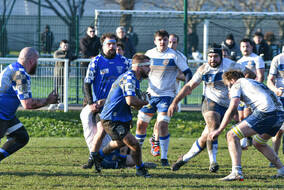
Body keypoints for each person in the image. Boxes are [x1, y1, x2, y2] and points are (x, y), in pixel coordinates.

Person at [169, 43, 256, 173]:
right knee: (213, 124)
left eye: (215, 56)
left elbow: (250, 74)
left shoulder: (230, 65)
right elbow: (189, 86)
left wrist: (237, 85)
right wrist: (175, 102)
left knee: (206, 137)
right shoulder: (203, 69)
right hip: (209, 101)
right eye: (210, 56)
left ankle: (184, 158)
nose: (212, 60)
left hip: (226, 105)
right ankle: (213, 162)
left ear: (221, 57)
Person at [0, 47, 59, 184]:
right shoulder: (20, 74)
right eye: (37, 61)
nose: (37, 64)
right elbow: (28, 104)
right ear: (32, 60)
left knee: (21, 136)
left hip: (4, 112)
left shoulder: (13, 66)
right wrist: (48, 101)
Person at [209, 70, 284, 181]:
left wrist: (219, 129)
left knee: (231, 135)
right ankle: (282, 171)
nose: (228, 89)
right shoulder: (253, 83)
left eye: (227, 85)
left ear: (232, 80)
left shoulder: (237, 83)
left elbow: (233, 107)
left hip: (266, 112)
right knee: (258, 142)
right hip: (280, 114)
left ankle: (236, 172)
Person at [135, 30, 192, 167]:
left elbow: (188, 72)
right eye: (160, 39)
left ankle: (164, 158)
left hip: (167, 96)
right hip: (150, 95)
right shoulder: (149, 54)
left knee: (162, 125)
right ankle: (137, 155)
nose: (163, 42)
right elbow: (138, 71)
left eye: (165, 40)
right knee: (141, 125)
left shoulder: (175, 55)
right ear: (155, 41)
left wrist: (188, 87)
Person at [92, 54, 151, 177]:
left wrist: (139, 102)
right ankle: (141, 169)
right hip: (111, 118)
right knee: (134, 144)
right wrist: (145, 101)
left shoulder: (136, 79)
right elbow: (131, 101)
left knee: (119, 142)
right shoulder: (130, 77)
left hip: (121, 117)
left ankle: (98, 156)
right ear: (139, 67)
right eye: (147, 66)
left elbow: (133, 104)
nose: (149, 69)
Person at [82, 33, 131, 170]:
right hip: (103, 107)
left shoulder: (124, 62)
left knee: (126, 133)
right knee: (102, 130)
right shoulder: (96, 62)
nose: (112, 46)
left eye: (114, 44)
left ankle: (123, 159)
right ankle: (92, 159)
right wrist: (91, 102)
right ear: (102, 46)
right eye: (108, 44)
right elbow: (87, 83)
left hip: (120, 105)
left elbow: (133, 79)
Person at [80, 96, 156, 170]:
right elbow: (100, 103)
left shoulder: (85, 113)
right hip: (106, 158)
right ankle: (129, 163)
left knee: (129, 144)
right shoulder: (97, 113)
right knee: (125, 138)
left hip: (105, 154)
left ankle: (133, 162)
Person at [236, 38, 265, 149]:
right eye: (243, 46)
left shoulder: (257, 59)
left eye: (247, 46)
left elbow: (260, 76)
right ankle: (246, 139)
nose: (245, 48)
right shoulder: (239, 62)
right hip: (242, 93)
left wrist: (255, 90)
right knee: (241, 117)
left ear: (251, 47)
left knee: (247, 115)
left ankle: (246, 141)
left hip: (252, 92)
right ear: (240, 48)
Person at [266, 52, 284, 167]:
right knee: (278, 130)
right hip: (281, 98)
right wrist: (276, 90)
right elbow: (269, 80)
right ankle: (274, 158)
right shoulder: (278, 59)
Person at [49, 40, 77, 110]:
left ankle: (61, 102)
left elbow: (74, 56)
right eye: (64, 45)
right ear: (61, 45)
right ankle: (53, 102)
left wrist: (70, 57)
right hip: (58, 74)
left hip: (66, 73)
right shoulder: (57, 52)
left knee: (63, 88)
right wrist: (68, 57)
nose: (66, 47)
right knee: (56, 88)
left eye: (67, 45)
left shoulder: (69, 52)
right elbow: (58, 57)